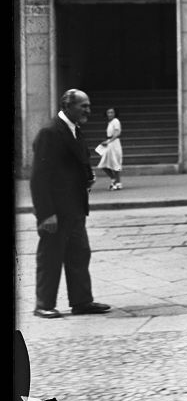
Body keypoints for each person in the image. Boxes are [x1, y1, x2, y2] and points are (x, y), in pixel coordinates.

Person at [29, 89, 111, 318]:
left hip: (75, 208)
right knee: (51, 257)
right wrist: (46, 215)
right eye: (83, 106)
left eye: (88, 105)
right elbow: (39, 178)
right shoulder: (50, 132)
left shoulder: (74, 130)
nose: (88, 110)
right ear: (67, 106)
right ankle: (43, 304)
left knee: (79, 254)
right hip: (55, 211)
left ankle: (82, 301)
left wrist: (88, 177)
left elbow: (76, 163)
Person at [96, 107, 123, 190]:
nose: (110, 114)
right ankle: (114, 179)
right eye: (108, 112)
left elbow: (117, 133)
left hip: (114, 144)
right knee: (105, 164)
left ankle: (117, 182)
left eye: (112, 112)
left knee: (115, 163)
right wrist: (106, 142)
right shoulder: (110, 122)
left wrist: (108, 141)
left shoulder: (116, 121)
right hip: (110, 143)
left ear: (115, 113)